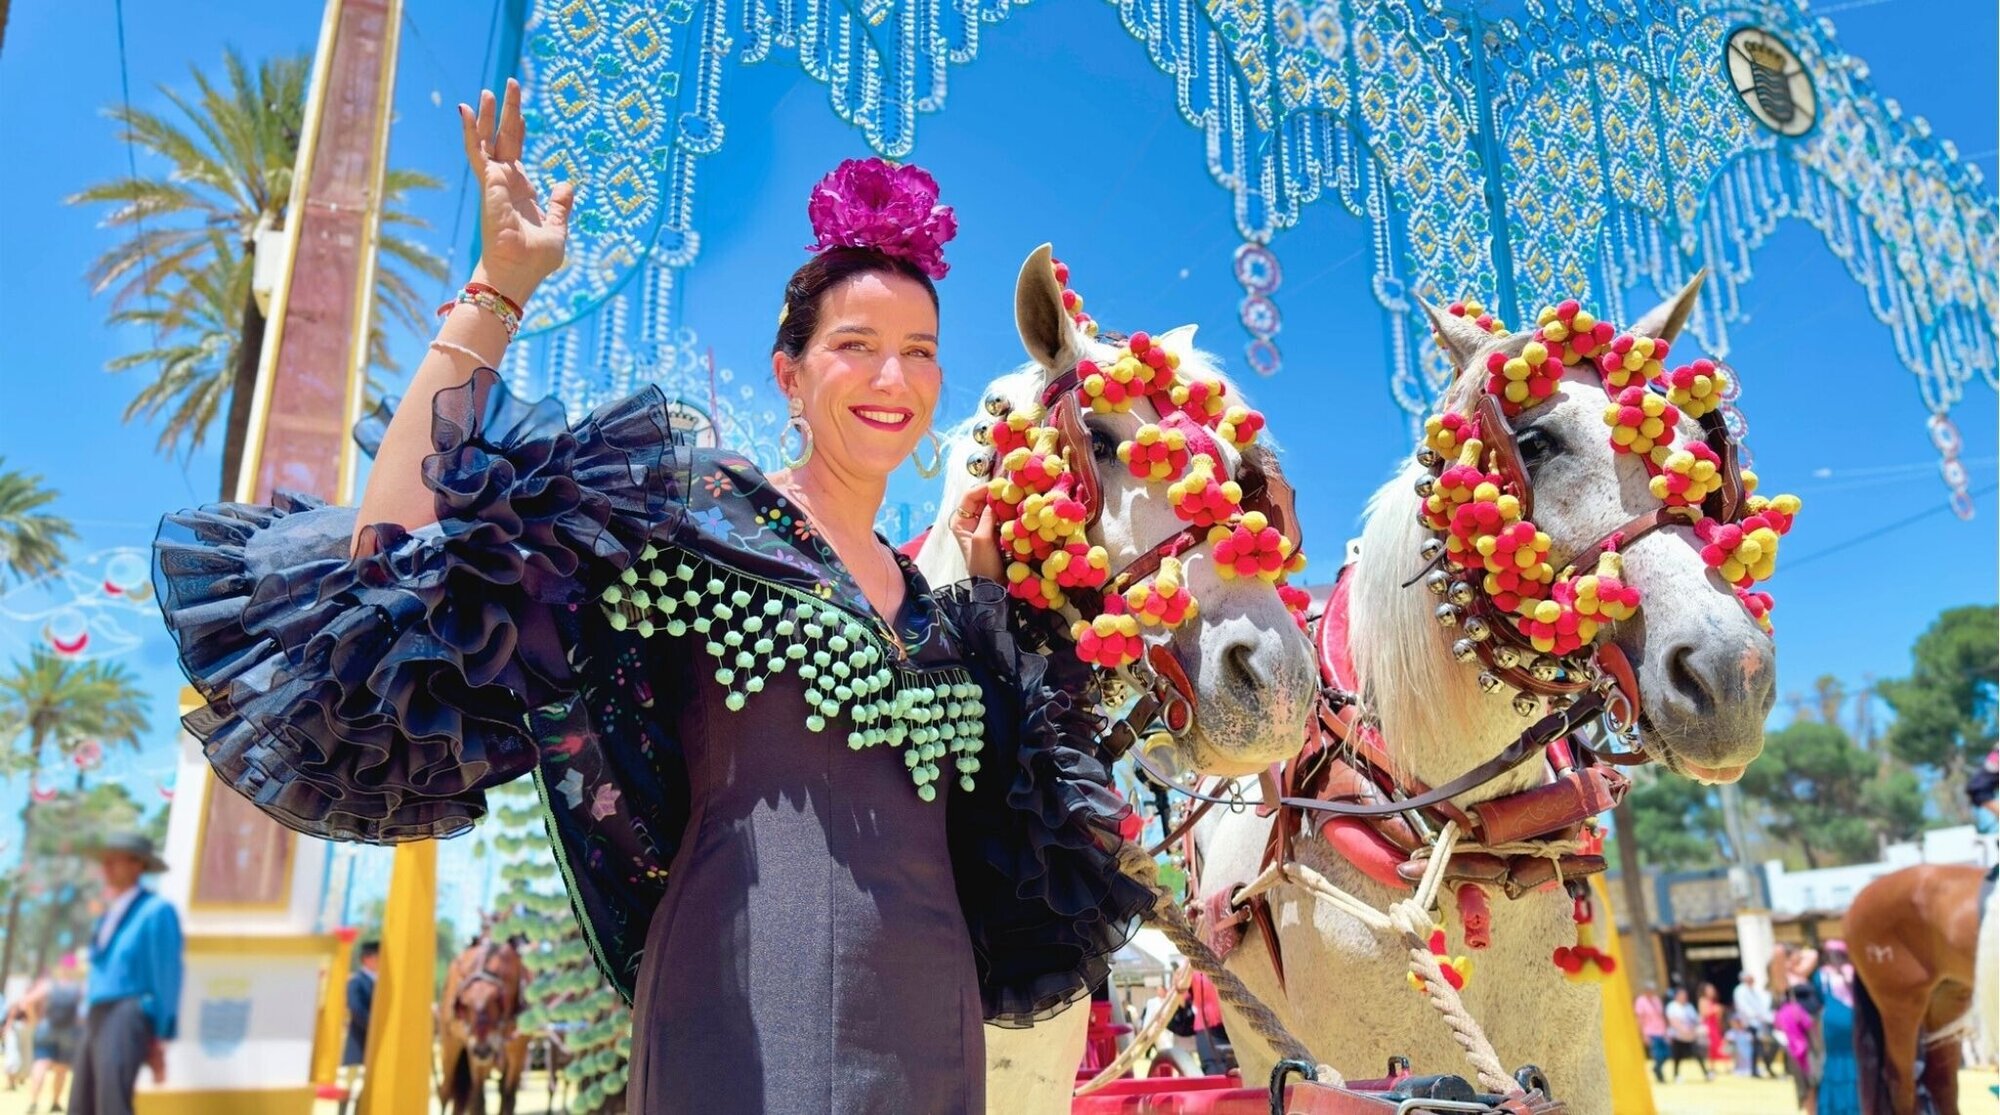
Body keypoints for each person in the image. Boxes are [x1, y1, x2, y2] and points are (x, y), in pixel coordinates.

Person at [151, 82, 1150, 1115]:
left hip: (936, 1047)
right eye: (853, 343)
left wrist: (995, 621)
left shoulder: (945, 610)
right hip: (742, 1031)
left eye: (920, 350)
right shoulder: (697, 522)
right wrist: (500, 285)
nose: (890, 375)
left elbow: (1020, 846)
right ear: (789, 375)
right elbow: (399, 548)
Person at [69, 833, 181, 1115]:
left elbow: (167, 975)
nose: (106, 867)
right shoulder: (109, 914)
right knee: (81, 1102)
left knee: (112, 1102)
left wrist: (161, 1034)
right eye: (104, 861)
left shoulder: (157, 911)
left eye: (114, 861)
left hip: (127, 1010)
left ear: (137, 865)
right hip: (97, 1012)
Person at [11, 954, 85, 1114]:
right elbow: (84, 1013)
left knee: (41, 1063)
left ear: (60, 968)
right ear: (75, 969)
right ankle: (55, 1102)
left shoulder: (49, 985)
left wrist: (34, 1020)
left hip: (46, 1027)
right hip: (68, 1032)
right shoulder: (79, 988)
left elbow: (26, 1001)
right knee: (61, 1069)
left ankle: (33, 1102)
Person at [1813, 941, 1861, 1115]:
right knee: (1839, 1062)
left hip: (1846, 1023)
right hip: (1838, 1026)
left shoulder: (1851, 973)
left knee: (1846, 1062)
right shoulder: (1824, 975)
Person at [1775, 984, 1820, 1113]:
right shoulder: (1798, 1010)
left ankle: (1807, 1110)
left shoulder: (1782, 1012)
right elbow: (1809, 1027)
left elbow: (1778, 1027)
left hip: (1791, 1051)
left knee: (1801, 1086)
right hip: (1805, 1051)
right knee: (1812, 1085)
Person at [341, 941, 379, 1072]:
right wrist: (375, 1027)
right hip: (360, 1043)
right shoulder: (357, 982)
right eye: (378, 958)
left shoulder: (380, 982)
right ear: (367, 959)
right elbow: (356, 1009)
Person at [1733, 970, 1777, 1077]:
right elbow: (1744, 1008)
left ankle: (1763, 1067)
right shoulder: (1740, 991)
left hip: (1761, 1022)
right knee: (1758, 1047)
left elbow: (1762, 1006)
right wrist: (1756, 1016)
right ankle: (1756, 1070)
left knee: (1766, 1046)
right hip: (1751, 1023)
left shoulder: (1754, 990)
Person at [1665, 986, 1713, 1082]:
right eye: (1682, 995)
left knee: (1698, 1055)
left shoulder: (1689, 1006)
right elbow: (1673, 1021)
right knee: (1677, 1057)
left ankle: (1706, 1073)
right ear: (1677, 996)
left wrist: (1696, 1027)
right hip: (1678, 1036)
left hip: (1690, 1036)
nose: (1684, 997)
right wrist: (1682, 1030)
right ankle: (1676, 1075)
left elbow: (1695, 1019)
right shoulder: (1672, 1006)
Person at [1188, 969, 1231, 1075]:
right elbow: (1181, 993)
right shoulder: (1191, 969)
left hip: (1233, 1026)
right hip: (1207, 1027)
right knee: (1214, 1071)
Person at [1634, 983, 1670, 1083]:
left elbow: (1661, 1016)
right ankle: (1660, 1075)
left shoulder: (1656, 1000)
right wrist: (1643, 1034)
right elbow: (1640, 1018)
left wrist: (1666, 1031)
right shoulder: (1640, 1001)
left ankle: (1656, 1068)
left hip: (1661, 1031)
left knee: (1667, 1054)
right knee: (1657, 1055)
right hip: (1650, 1031)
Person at [1698, 981, 1726, 1068]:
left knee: (1719, 1045)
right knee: (1711, 1047)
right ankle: (1711, 1066)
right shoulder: (1702, 1000)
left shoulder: (1713, 1001)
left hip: (1715, 1026)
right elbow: (1703, 1014)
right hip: (1708, 1026)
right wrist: (1715, 1009)